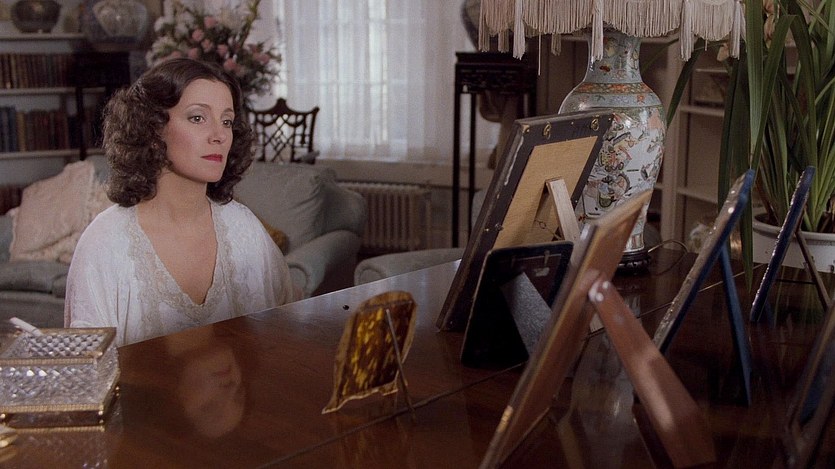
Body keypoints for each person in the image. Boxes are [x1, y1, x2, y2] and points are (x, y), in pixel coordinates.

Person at [65, 58, 298, 346]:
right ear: (152, 128)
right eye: (198, 118)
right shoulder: (106, 243)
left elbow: (285, 335)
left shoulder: (244, 228)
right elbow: (90, 366)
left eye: (226, 121)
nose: (219, 135)